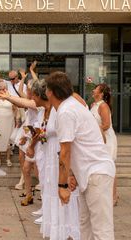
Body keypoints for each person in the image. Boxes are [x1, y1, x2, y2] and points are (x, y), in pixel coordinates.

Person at [45, 71, 115, 240]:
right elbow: (77, 145)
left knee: (101, 229)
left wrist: (62, 186)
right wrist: (72, 174)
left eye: (46, 89)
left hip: (96, 173)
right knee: (85, 225)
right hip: (89, 172)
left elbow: (65, 151)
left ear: (51, 92)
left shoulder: (66, 111)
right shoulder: (70, 107)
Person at [31, 79, 80, 240]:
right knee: (50, 188)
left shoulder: (63, 109)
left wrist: (67, 178)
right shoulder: (51, 109)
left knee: (62, 192)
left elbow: (66, 147)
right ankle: (58, 229)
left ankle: (68, 231)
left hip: (59, 153)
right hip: (51, 153)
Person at [91, 83, 118, 206]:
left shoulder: (103, 106)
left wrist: (92, 131)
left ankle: (113, 197)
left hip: (106, 139)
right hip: (98, 139)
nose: (93, 90)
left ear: (101, 93)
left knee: (109, 167)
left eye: (95, 89)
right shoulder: (93, 105)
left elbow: (106, 125)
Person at [0, 81, 15, 167]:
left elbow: (15, 107)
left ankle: (8, 159)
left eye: (4, 88)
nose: (2, 90)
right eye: (0, 88)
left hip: (9, 121)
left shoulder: (10, 95)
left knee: (8, 139)